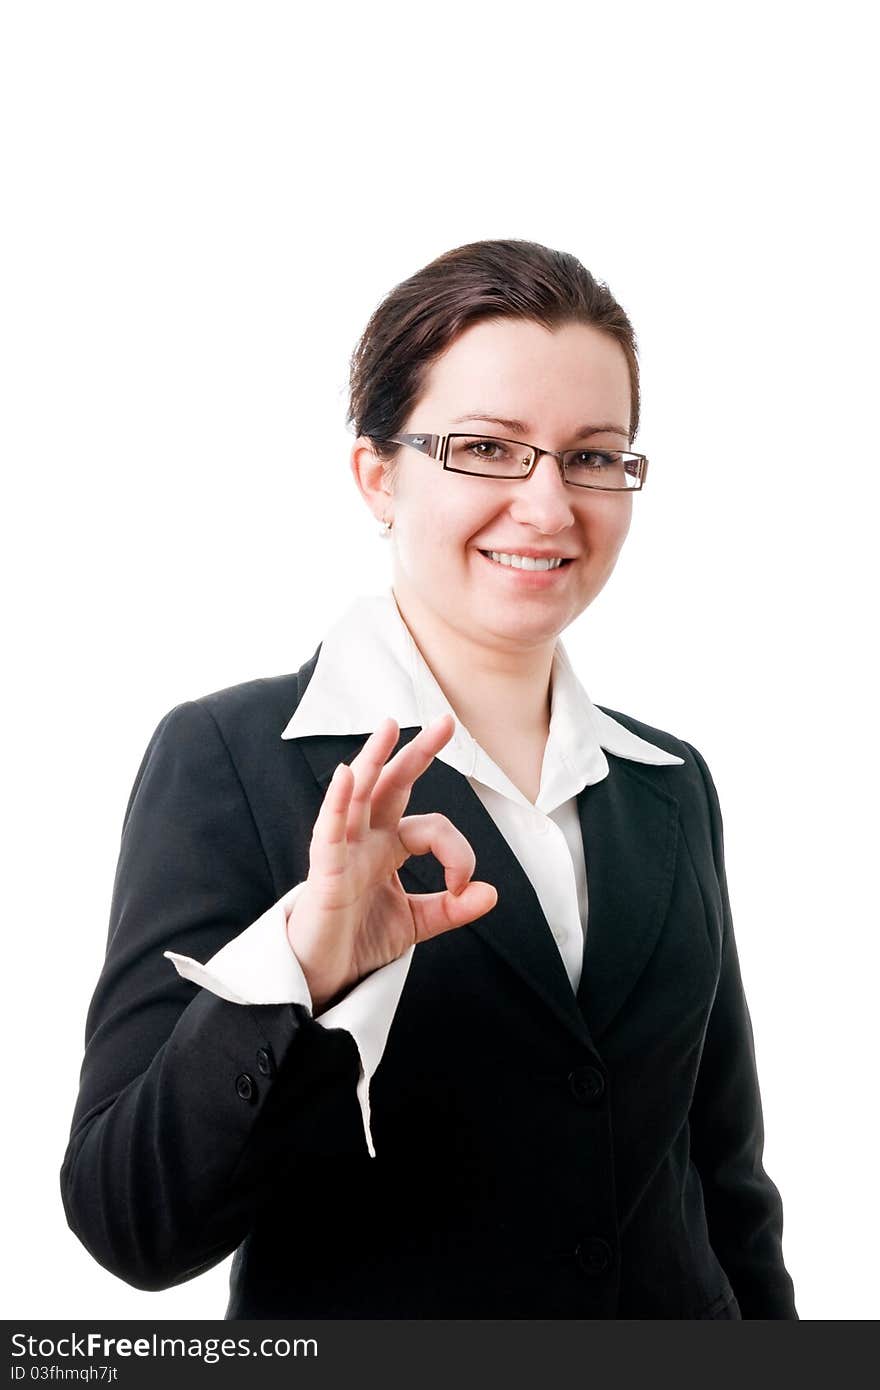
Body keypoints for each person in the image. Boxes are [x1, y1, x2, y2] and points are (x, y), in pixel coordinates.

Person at [61, 239, 798, 1319]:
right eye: (489, 449)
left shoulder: (670, 780)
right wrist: (303, 965)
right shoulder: (230, 758)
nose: (549, 507)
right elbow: (132, 1221)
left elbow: (725, 1184)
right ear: (378, 474)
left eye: (592, 455)